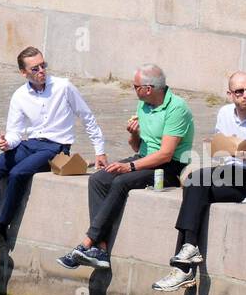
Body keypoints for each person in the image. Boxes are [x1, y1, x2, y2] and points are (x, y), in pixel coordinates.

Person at [151, 72, 246, 293]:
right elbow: (220, 145)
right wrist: (220, 146)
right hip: (230, 173)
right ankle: (185, 261)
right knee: (193, 184)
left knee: (198, 182)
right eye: (240, 91)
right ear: (229, 94)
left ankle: (184, 263)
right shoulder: (224, 113)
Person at [0, 47, 108, 256]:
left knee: (18, 173)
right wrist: (7, 143)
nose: (41, 71)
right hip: (29, 143)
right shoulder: (19, 95)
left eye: (43, 66)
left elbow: (87, 116)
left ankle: (2, 225)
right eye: (35, 68)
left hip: (56, 147)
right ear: (23, 73)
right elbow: (15, 132)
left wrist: (100, 150)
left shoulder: (63, 87)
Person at [58, 64, 193, 271]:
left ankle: (87, 242)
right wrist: (134, 135)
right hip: (145, 157)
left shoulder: (177, 108)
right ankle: (100, 249)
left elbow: (165, 154)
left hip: (170, 167)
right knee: (99, 178)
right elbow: (139, 147)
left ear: (148, 88)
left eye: (135, 86)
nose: (133, 89)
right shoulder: (144, 104)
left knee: (121, 181)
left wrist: (129, 167)